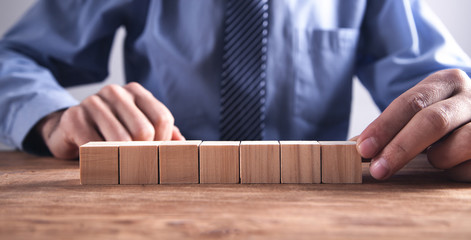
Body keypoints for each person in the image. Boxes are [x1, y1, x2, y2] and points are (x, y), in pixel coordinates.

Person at [0, 0, 470, 181]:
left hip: (322, 212)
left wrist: (460, 116)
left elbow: (446, 91)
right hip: (149, 207)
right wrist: (52, 116)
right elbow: (10, 59)